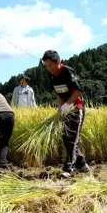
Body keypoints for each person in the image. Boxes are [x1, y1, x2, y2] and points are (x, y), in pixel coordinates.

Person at [41, 50, 90, 178]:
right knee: (66, 137)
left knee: (72, 138)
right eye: (46, 66)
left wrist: (68, 105)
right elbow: (58, 93)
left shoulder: (67, 71)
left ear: (58, 61)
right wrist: (60, 107)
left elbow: (79, 90)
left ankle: (69, 168)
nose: (48, 68)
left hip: (75, 109)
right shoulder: (51, 75)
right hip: (65, 109)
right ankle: (82, 164)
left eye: (50, 65)